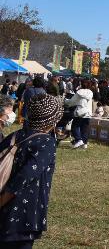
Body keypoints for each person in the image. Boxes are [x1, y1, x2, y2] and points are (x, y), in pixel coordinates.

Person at [0, 93, 63, 248]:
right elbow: (24, 176)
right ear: (52, 119)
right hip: (22, 216)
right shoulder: (46, 143)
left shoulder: (15, 135)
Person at [64, 79, 93, 150]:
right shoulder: (90, 93)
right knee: (84, 129)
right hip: (88, 113)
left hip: (80, 112)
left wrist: (65, 101)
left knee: (74, 127)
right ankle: (84, 143)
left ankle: (78, 140)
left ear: (81, 84)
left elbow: (72, 102)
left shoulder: (79, 93)